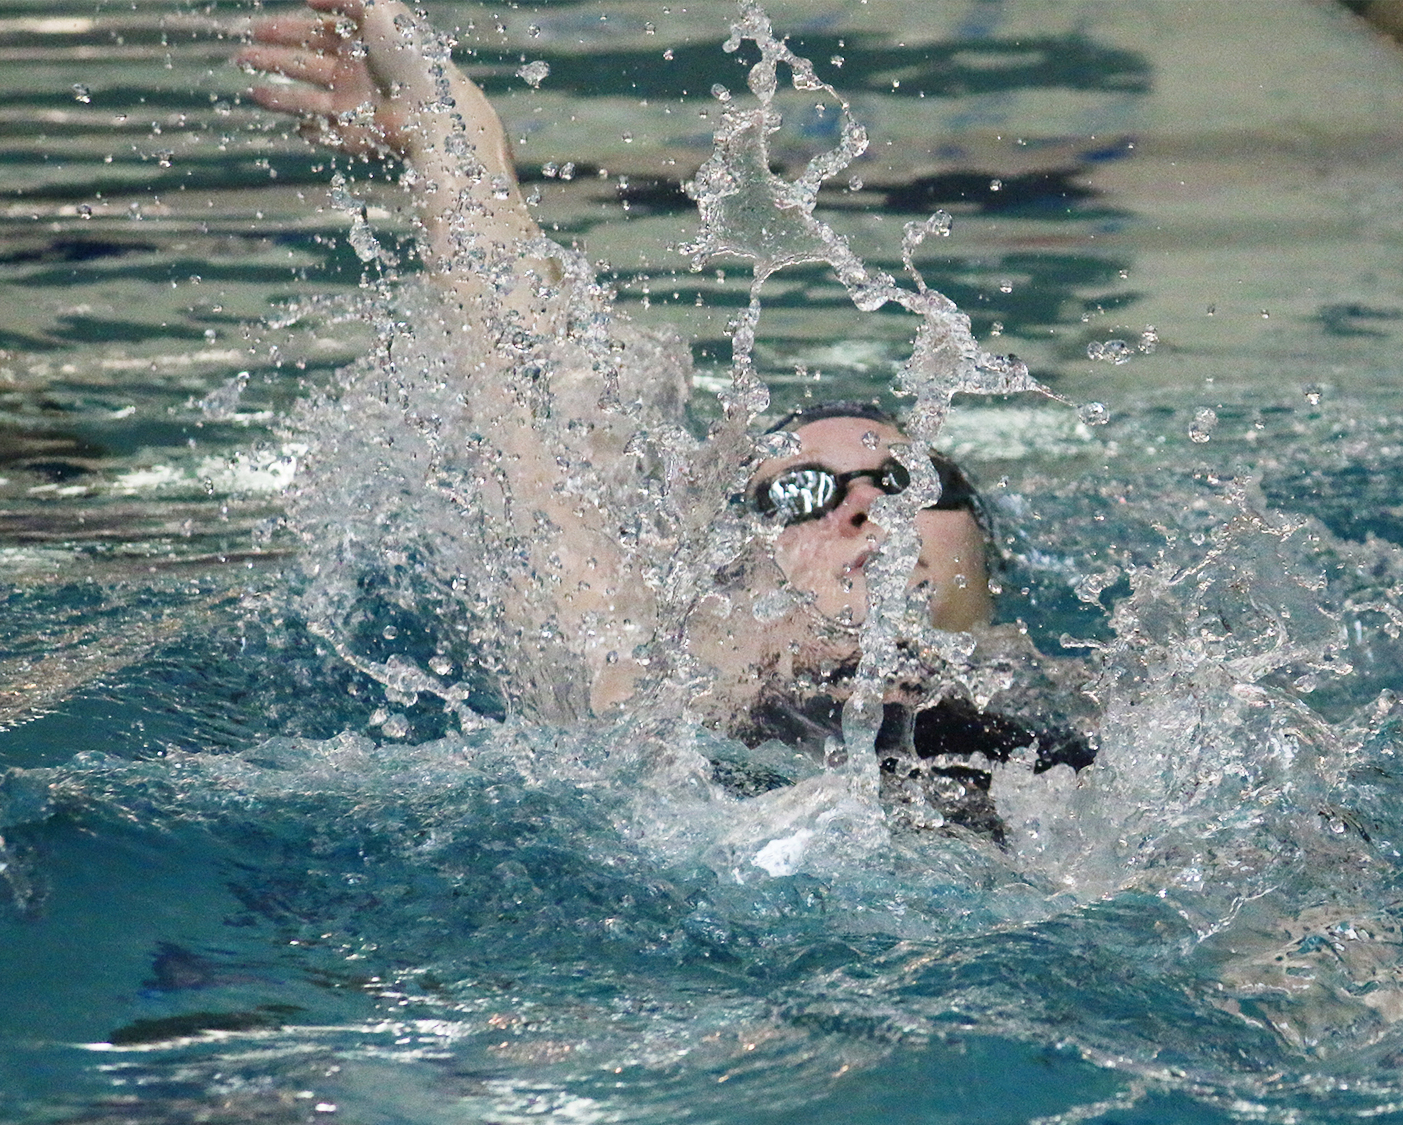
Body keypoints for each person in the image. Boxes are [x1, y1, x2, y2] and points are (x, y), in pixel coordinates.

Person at [236, 0, 1091, 838]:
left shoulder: (1115, 710)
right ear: (727, 571)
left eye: (906, 481)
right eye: (799, 492)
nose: (865, 508)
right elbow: (526, 388)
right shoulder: (658, 689)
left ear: (982, 541)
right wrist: (444, 122)